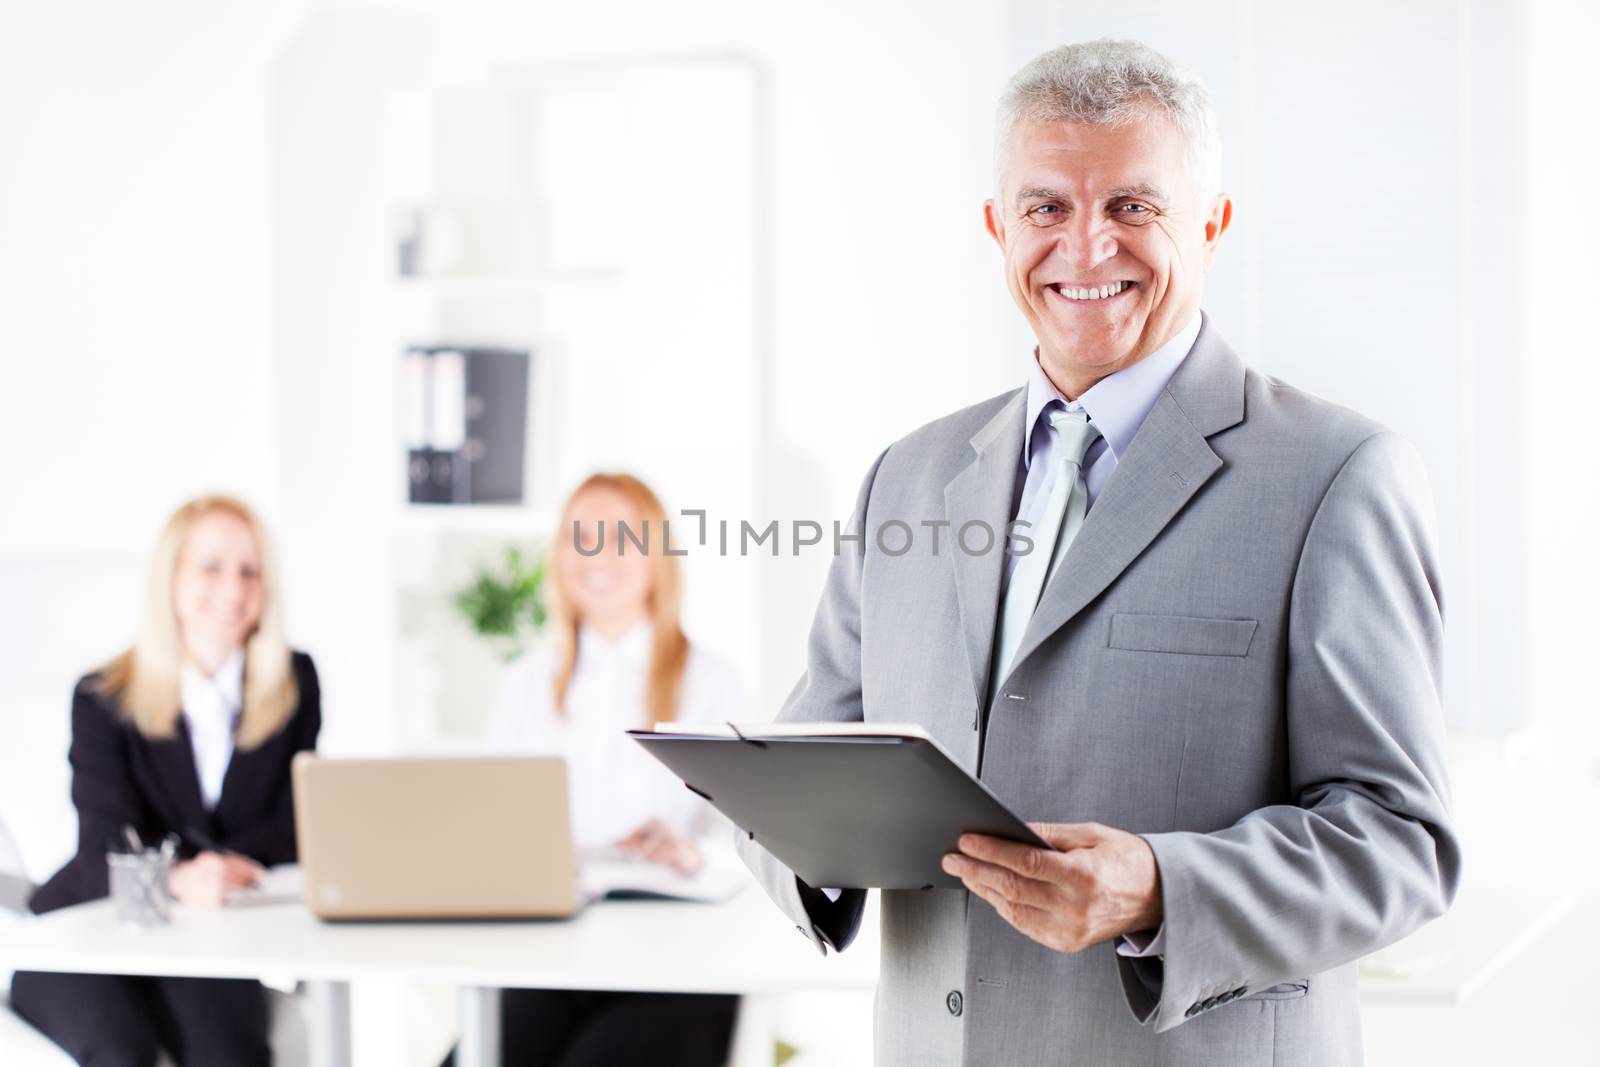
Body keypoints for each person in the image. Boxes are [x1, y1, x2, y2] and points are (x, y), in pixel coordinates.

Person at [737, 38, 1460, 1066]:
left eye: (1132, 206)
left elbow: (1401, 840)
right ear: (997, 227)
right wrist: (780, 825)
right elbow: (810, 765)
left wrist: (1162, 887)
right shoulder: (907, 474)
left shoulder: (1337, 474)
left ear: (1209, 225)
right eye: (1046, 208)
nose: (1085, 248)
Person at [443, 472, 744, 1067]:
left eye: (620, 537)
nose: (597, 554)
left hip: (677, 961)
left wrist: (689, 853)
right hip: (556, 951)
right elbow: (491, 821)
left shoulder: (710, 683)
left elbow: (750, 838)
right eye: (580, 536)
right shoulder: (527, 684)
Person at [11, 494, 321, 1067]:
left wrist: (215, 873)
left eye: (250, 570)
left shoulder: (292, 685)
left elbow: (293, 824)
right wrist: (182, 877)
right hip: (84, 926)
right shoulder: (103, 697)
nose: (233, 589)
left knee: (229, 1052)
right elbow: (104, 843)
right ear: (171, 578)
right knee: (121, 1050)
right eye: (211, 567)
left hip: (203, 935)